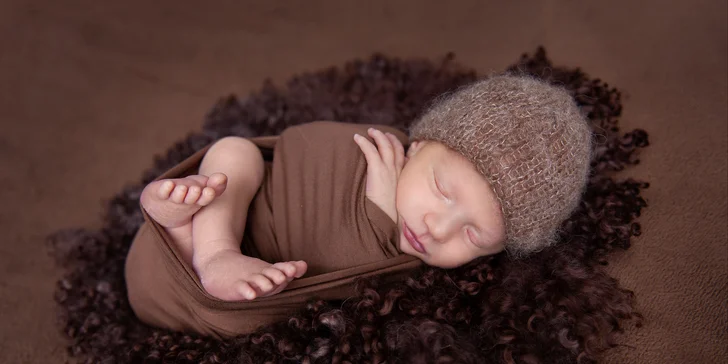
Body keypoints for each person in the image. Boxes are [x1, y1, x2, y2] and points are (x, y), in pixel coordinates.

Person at [124, 74, 593, 337]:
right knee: (235, 153)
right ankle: (210, 248)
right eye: (443, 190)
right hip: (221, 224)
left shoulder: (413, 268)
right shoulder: (381, 146)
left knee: (272, 306)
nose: (436, 228)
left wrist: (379, 214)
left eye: (473, 235)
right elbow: (299, 150)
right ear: (419, 144)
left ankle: (190, 240)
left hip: (190, 296)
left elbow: (344, 276)